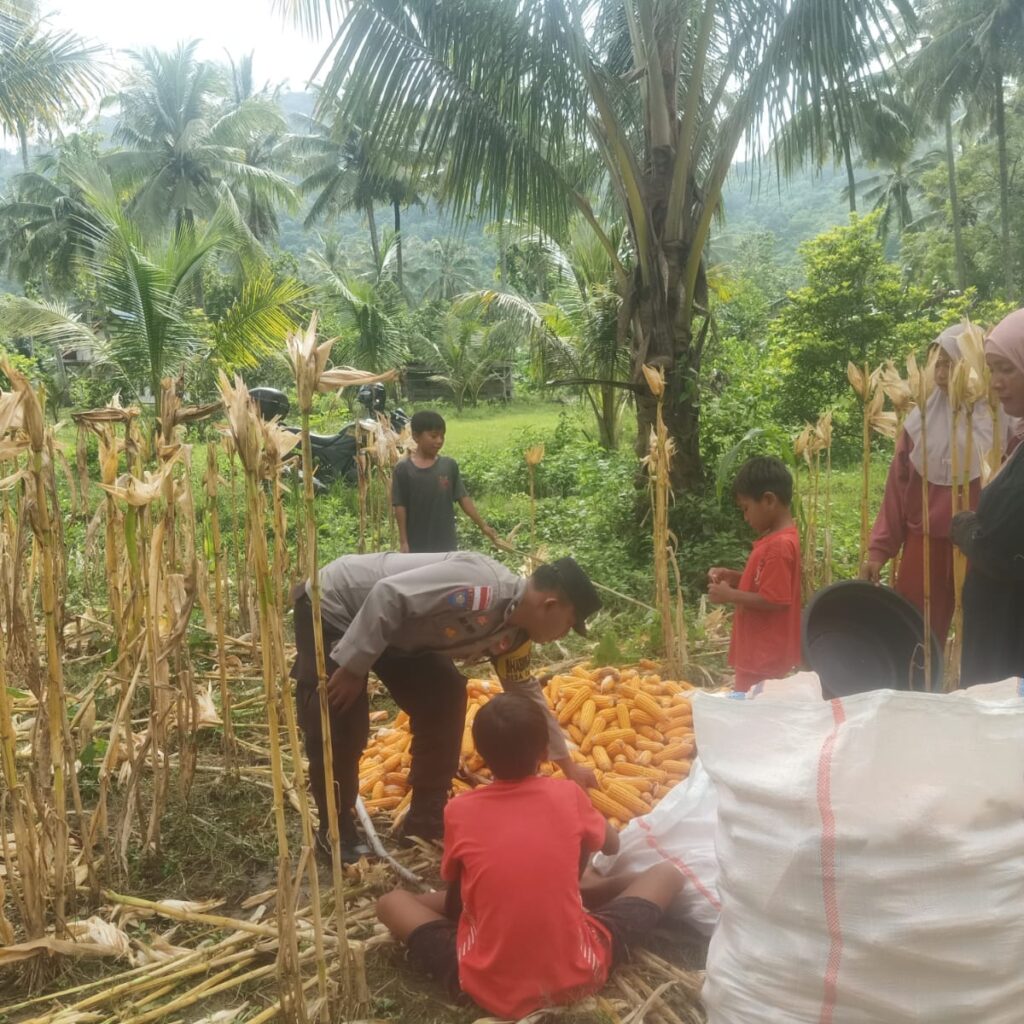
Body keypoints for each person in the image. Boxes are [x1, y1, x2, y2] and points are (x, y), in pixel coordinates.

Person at [376, 695, 684, 1020]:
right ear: (543, 752)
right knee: (668, 874)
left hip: (485, 985)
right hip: (578, 971)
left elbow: (456, 901)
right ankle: (583, 891)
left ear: (480, 752)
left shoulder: (459, 811)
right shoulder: (568, 795)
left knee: (391, 901)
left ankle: (577, 891)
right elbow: (612, 846)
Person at [291, 551, 602, 862]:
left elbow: (526, 693)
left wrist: (568, 765)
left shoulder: (514, 634)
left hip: (397, 631)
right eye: (568, 624)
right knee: (339, 717)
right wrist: (354, 666)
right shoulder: (481, 590)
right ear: (550, 606)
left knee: (445, 695)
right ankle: (335, 829)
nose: (563, 634)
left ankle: (425, 820)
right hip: (337, 607)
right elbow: (388, 595)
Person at [860, 325, 994, 643]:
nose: (943, 373)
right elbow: (897, 491)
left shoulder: (1000, 421)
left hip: (982, 548)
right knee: (914, 633)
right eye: (939, 363)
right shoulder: (918, 423)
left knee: (980, 634)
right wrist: (878, 551)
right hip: (925, 543)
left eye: (953, 363)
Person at [952, 308, 1024, 686]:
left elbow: (1006, 550)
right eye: (991, 369)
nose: (995, 383)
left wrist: (966, 529)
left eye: (1006, 369)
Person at [707, 456, 802, 691]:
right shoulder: (776, 541)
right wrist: (735, 577)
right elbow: (767, 583)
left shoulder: (778, 547)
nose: (745, 516)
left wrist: (730, 595)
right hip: (761, 655)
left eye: (746, 508)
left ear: (769, 500)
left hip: (763, 657)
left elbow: (774, 599)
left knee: (753, 712)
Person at [392, 409, 498, 553]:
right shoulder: (403, 469)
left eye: (442, 436)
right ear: (416, 437)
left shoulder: (448, 466)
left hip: (446, 543)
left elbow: (463, 498)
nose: (439, 441)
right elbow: (400, 506)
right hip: (416, 544)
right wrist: (404, 541)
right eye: (434, 436)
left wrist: (483, 526)